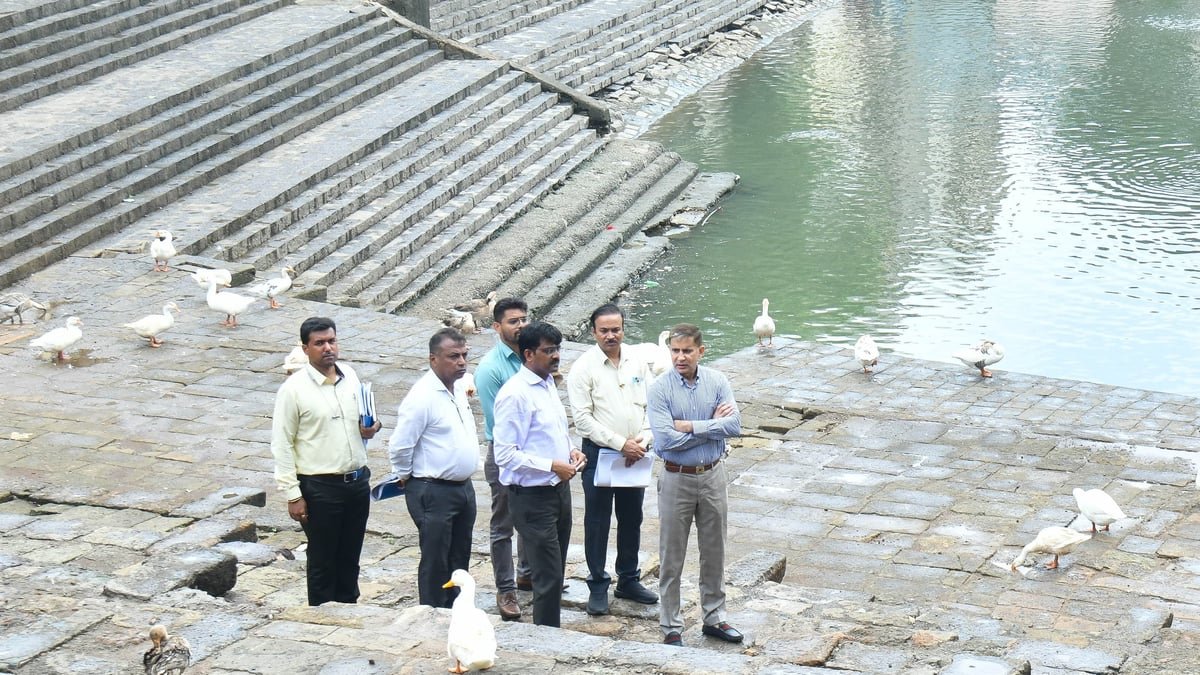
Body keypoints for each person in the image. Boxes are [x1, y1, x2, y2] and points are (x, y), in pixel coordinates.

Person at [270, 316, 382, 606]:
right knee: (322, 558)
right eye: (319, 343)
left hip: (356, 481)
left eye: (331, 341)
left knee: (350, 555)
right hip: (320, 486)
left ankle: (348, 608)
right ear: (305, 349)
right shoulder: (293, 390)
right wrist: (293, 494)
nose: (327, 348)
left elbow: (367, 419)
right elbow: (281, 444)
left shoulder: (351, 377)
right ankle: (321, 615)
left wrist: (373, 426)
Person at [647, 323, 743, 646]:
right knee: (672, 553)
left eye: (687, 350)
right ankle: (671, 623)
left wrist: (690, 426)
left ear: (701, 351)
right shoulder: (660, 389)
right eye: (675, 351)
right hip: (676, 476)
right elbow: (664, 440)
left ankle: (715, 616)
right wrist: (711, 426)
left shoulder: (717, 381)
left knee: (714, 549)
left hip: (713, 474)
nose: (680, 357)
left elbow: (734, 425)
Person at [566, 304, 658, 616]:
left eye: (615, 329)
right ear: (594, 332)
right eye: (604, 330)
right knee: (597, 520)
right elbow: (583, 420)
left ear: (623, 329)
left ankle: (628, 578)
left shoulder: (636, 361)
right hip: (600, 452)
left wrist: (643, 439)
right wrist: (621, 443)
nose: (611, 335)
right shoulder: (583, 368)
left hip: (637, 452)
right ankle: (597, 583)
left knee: (632, 518)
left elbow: (651, 405)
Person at [493, 321, 587, 627]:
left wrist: (571, 452)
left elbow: (551, 434)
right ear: (529, 354)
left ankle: (549, 632)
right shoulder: (515, 395)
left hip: (558, 490)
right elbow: (505, 454)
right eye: (549, 350)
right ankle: (547, 638)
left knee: (556, 572)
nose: (556, 355)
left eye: (557, 349)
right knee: (546, 576)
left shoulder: (547, 383)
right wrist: (551, 465)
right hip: (532, 497)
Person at [387, 327, 478, 608]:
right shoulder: (422, 397)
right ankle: (433, 610)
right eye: (453, 356)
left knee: (459, 555)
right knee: (436, 557)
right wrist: (406, 477)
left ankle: (456, 609)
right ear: (433, 359)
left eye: (464, 356)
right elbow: (401, 445)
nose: (461, 362)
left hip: (462, 487)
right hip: (433, 488)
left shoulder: (459, 387)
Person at [475, 297, 532, 620]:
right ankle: (505, 589)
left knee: (531, 517)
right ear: (497, 327)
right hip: (505, 452)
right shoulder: (491, 369)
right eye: (513, 321)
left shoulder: (530, 356)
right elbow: (501, 422)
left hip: (533, 449)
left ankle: (527, 572)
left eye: (523, 319)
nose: (520, 325)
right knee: (503, 524)